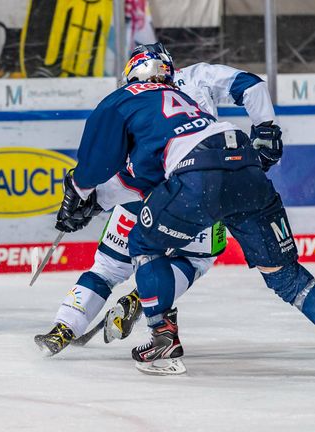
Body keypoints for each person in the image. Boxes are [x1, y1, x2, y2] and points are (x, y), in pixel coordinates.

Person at [49, 44, 315, 375]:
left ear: (131, 75)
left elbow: (105, 168)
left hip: (196, 178)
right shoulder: (185, 96)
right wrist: (266, 129)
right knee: (286, 277)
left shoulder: (123, 99)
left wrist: (81, 197)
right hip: (244, 163)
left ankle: (162, 333)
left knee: (143, 243)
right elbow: (250, 85)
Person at [35, 42, 278, 358]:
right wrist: (266, 128)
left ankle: (64, 326)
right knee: (195, 261)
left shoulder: (130, 97)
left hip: (139, 195)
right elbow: (252, 85)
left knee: (108, 267)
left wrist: (91, 201)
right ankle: (143, 296)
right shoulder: (196, 77)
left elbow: (129, 169)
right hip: (200, 192)